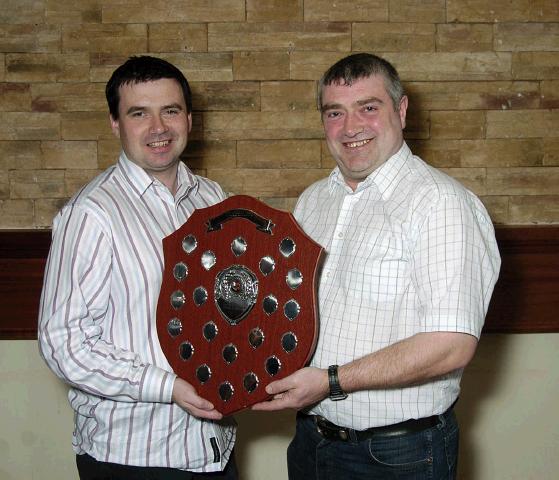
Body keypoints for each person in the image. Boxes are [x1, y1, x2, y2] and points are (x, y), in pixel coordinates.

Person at [253, 53, 501, 479]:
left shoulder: (441, 204)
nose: (351, 128)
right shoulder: (314, 201)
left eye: (369, 107)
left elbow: (450, 344)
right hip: (312, 441)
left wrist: (330, 381)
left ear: (401, 111)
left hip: (399, 455)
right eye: (335, 112)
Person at [38, 56, 237, 479]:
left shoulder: (213, 198)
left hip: (214, 449)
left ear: (188, 117)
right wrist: (167, 387)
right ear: (115, 123)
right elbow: (64, 343)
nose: (159, 128)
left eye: (170, 110)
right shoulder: (92, 214)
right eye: (139, 113)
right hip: (133, 458)